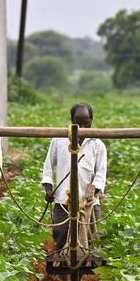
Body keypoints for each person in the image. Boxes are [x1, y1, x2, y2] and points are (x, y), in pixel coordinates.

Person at [41, 103, 107, 252]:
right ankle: (64, 273)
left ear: (92, 120)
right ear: (72, 120)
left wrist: (88, 198)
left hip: (88, 204)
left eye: (86, 123)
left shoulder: (98, 145)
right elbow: (48, 168)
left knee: (90, 239)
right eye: (78, 123)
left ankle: (82, 273)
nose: (82, 128)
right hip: (62, 202)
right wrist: (49, 189)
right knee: (60, 236)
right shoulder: (58, 140)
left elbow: (100, 175)